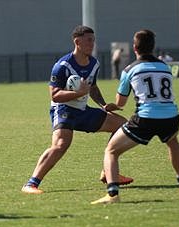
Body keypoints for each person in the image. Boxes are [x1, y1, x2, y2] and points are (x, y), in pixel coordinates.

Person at [21, 25, 133, 194]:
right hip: (63, 110)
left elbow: (92, 87)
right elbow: (55, 95)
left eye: (93, 40)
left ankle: (108, 172)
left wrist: (103, 105)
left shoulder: (94, 63)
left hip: (82, 110)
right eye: (89, 40)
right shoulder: (62, 66)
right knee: (60, 145)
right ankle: (31, 184)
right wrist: (77, 93)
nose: (92, 44)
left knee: (121, 125)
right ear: (77, 42)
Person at [91, 29, 179, 204]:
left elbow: (121, 102)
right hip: (171, 117)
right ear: (152, 47)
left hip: (145, 118)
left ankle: (112, 194)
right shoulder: (165, 67)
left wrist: (113, 106)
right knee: (172, 142)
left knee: (111, 151)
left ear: (134, 47)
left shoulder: (129, 69)